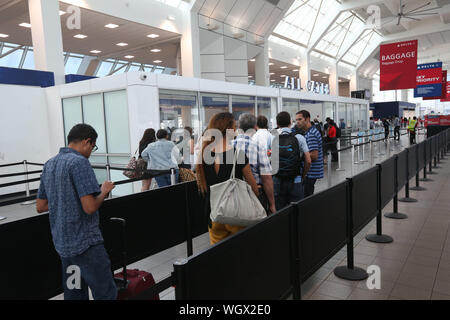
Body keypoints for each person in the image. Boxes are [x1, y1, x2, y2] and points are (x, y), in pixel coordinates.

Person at [36, 124, 117, 300]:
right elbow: (90, 207)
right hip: (87, 245)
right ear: (87, 141)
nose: (91, 152)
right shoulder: (80, 162)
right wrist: (104, 190)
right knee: (106, 293)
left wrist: (64, 198)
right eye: (93, 147)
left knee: (75, 294)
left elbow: (40, 206)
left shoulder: (49, 164)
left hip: (64, 246)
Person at [196, 112, 259, 245]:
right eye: (235, 125)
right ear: (230, 128)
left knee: (219, 254)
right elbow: (253, 186)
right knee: (240, 253)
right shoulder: (237, 154)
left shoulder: (204, 154)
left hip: (214, 214)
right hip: (236, 213)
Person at [233, 114, 276, 214]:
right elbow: (267, 179)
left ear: (239, 126)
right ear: (255, 127)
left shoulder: (229, 145)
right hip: (255, 191)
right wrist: (272, 204)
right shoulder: (258, 147)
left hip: (233, 192)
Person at [272, 111, 311, 210]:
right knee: (297, 210)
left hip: (277, 180)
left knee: (280, 210)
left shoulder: (272, 138)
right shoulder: (299, 138)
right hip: (295, 179)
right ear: (290, 122)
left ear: (277, 124)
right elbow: (308, 160)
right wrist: (303, 175)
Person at [295, 110, 323, 198]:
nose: (297, 122)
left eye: (300, 119)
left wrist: (298, 156)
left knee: (306, 199)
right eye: (296, 120)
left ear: (307, 119)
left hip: (310, 173)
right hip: (310, 173)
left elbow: (314, 155)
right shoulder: (309, 132)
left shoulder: (311, 134)